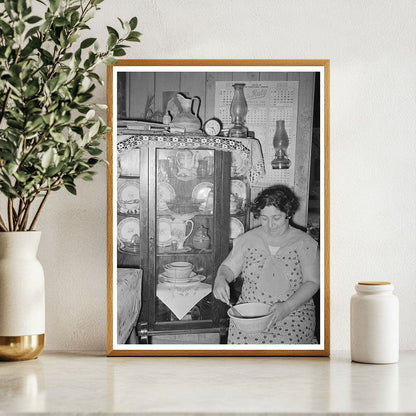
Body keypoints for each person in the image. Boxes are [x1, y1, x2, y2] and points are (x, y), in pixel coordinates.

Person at [213, 184, 320, 344]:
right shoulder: (247, 240)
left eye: (276, 218)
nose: (270, 225)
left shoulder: (304, 242)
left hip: (293, 315)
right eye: (264, 218)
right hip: (249, 317)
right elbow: (228, 268)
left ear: (288, 214)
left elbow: (313, 282)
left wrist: (287, 307)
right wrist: (220, 279)